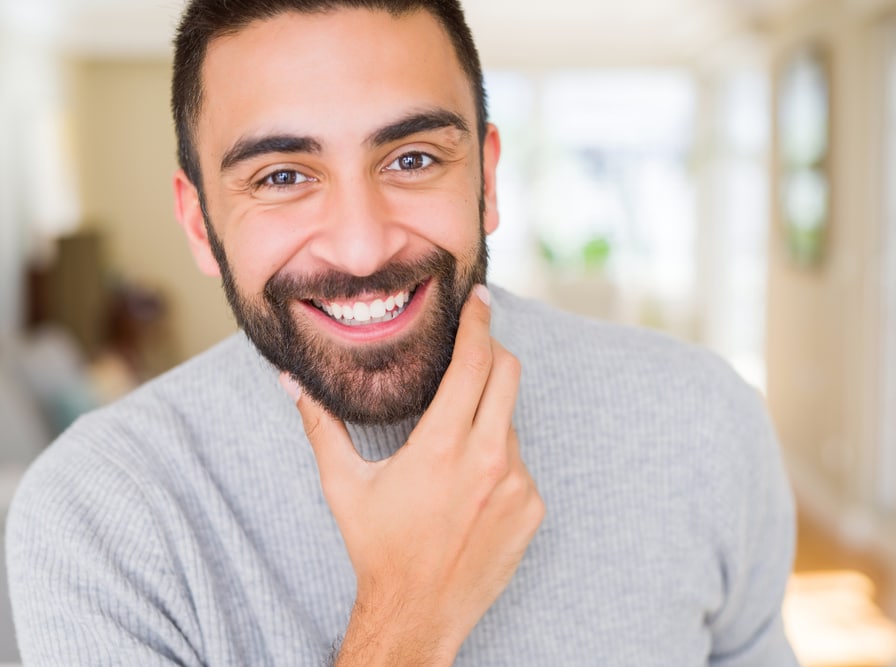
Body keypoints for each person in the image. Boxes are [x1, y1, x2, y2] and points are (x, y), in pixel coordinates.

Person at [5, 1, 800, 665]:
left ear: (486, 180)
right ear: (200, 223)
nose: (362, 246)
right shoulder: (99, 513)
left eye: (413, 159)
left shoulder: (701, 418)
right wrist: (409, 612)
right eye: (282, 177)